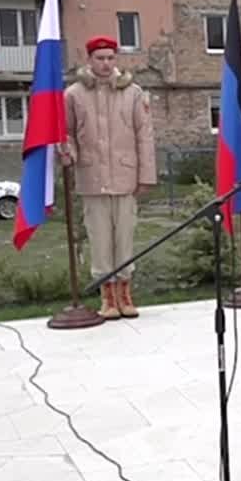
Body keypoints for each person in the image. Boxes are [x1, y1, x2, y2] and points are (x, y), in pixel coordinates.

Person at [60, 35, 155, 319]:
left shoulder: (133, 92)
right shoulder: (74, 94)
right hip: (92, 176)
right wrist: (68, 152)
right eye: (100, 58)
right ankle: (107, 297)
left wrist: (146, 174)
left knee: (124, 236)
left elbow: (145, 135)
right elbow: (66, 131)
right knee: (100, 239)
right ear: (89, 59)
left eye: (110, 58)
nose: (105, 63)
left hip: (125, 175)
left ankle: (125, 294)